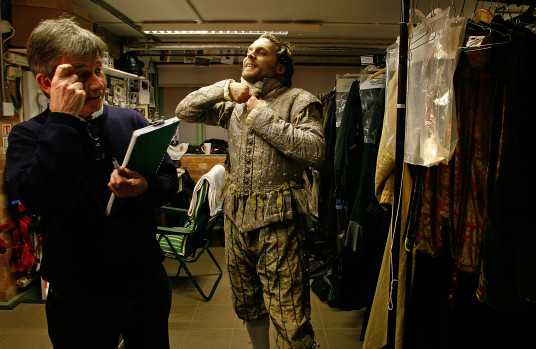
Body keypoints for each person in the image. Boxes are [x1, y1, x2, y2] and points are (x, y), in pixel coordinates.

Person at [5, 18, 178, 348]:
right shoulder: (28, 136)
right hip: (78, 291)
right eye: (82, 75)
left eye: (99, 70)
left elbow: (169, 181)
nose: (98, 84)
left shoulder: (131, 121)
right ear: (46, 82)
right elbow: (46, 200)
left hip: (143, 280)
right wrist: (63, 121)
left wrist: (144, 188)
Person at [175, 33, 325, 349]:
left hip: (280, 223)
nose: (250, 55)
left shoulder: (301, 100)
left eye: (261, 52)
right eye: (248, 51)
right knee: (247, 300)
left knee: (289, 313)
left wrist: (262, 116)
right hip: (236, 218)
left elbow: (315, 151)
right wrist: (224, 89)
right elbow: (184, 111)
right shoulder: (234, 105)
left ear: (281, 67)